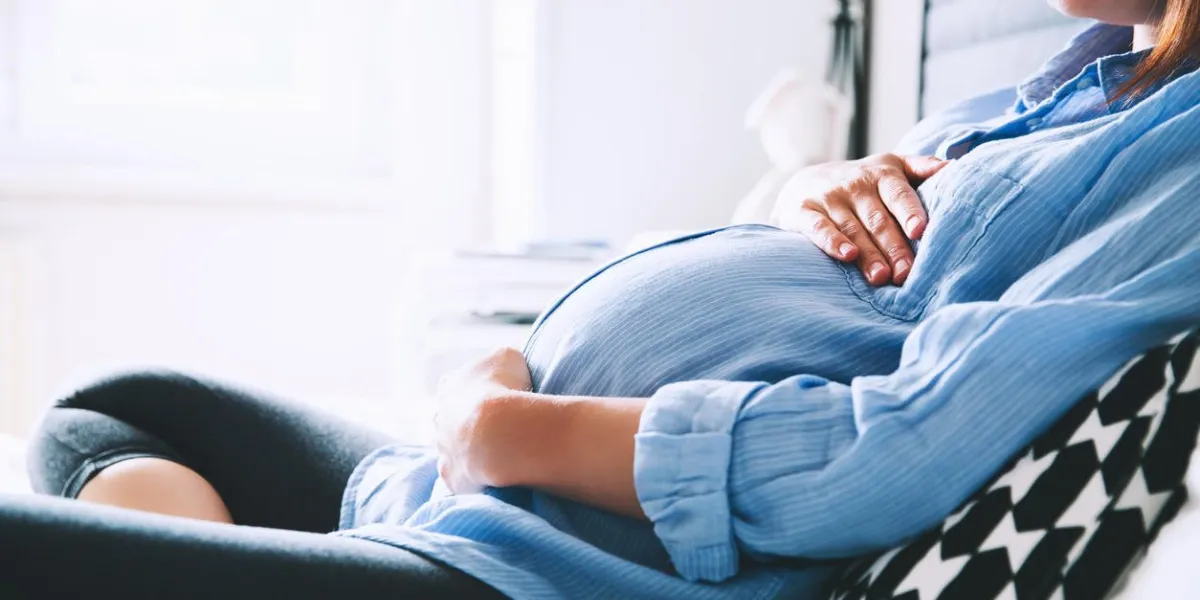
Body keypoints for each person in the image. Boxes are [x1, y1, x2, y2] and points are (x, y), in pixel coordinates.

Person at [8, 1, 1200, 598]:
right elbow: (854, 277)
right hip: (469, 500)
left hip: (565, 568)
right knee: (118, 411)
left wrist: (513, 431)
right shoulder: (1088, 77)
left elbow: (896, 449)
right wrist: (813, 190)